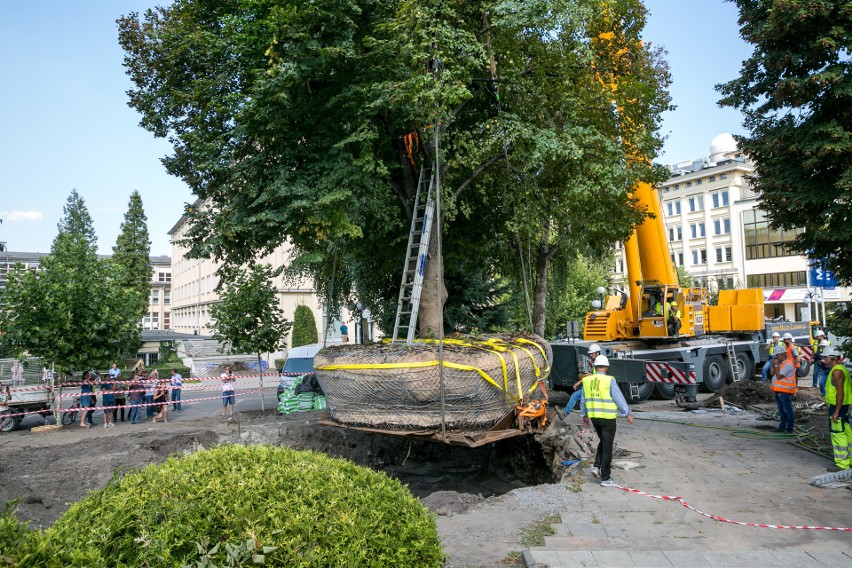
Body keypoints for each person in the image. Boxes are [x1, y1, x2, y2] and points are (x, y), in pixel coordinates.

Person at [579, 355, 634, 487]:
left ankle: (597, 467)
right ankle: (606, 478)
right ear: (607, 367)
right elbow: (618, 398)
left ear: (595, 367)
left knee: (603, 442)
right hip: (607, 418)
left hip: (594, 417)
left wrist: (584, 415)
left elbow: (583, 400)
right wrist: (627, 413)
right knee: (607, 447)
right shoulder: (609, 380)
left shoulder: (587, 380)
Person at [822, 347, 851, 471]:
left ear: (833, 358)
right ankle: (848, 460)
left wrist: (836, 411)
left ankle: (841, 464)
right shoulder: (841, 369)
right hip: (843, 405)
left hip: (837, 406)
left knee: (838, 434)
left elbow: (840, 393)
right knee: (846, 432)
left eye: (826, 357)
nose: (824, 359)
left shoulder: (836, 371)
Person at [564, 344, 601, 415]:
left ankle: (565, 412)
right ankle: (566, 412)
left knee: (576, 397)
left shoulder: (599, 364)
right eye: (590, 354)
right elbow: (590, 375)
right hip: (591, 388)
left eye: (592, 354)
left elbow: (601, 377)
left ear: (597, 353)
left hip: (594, 389)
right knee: (576, 396)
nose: (590, 355)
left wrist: (591, 375)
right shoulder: (595, 363)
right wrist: (579, 383)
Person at [769, 348, 797, 433]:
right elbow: (772, 373)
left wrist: (776, 366)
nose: (776, 358)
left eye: (777, 356)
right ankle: (782, 427)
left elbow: (779, 376)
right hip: (779, 390)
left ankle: (789, 428)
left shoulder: (788, 364)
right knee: (782, 410)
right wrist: (773, 365)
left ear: (782, 354)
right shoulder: (782, 363)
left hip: (784, 391)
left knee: (787, 410)